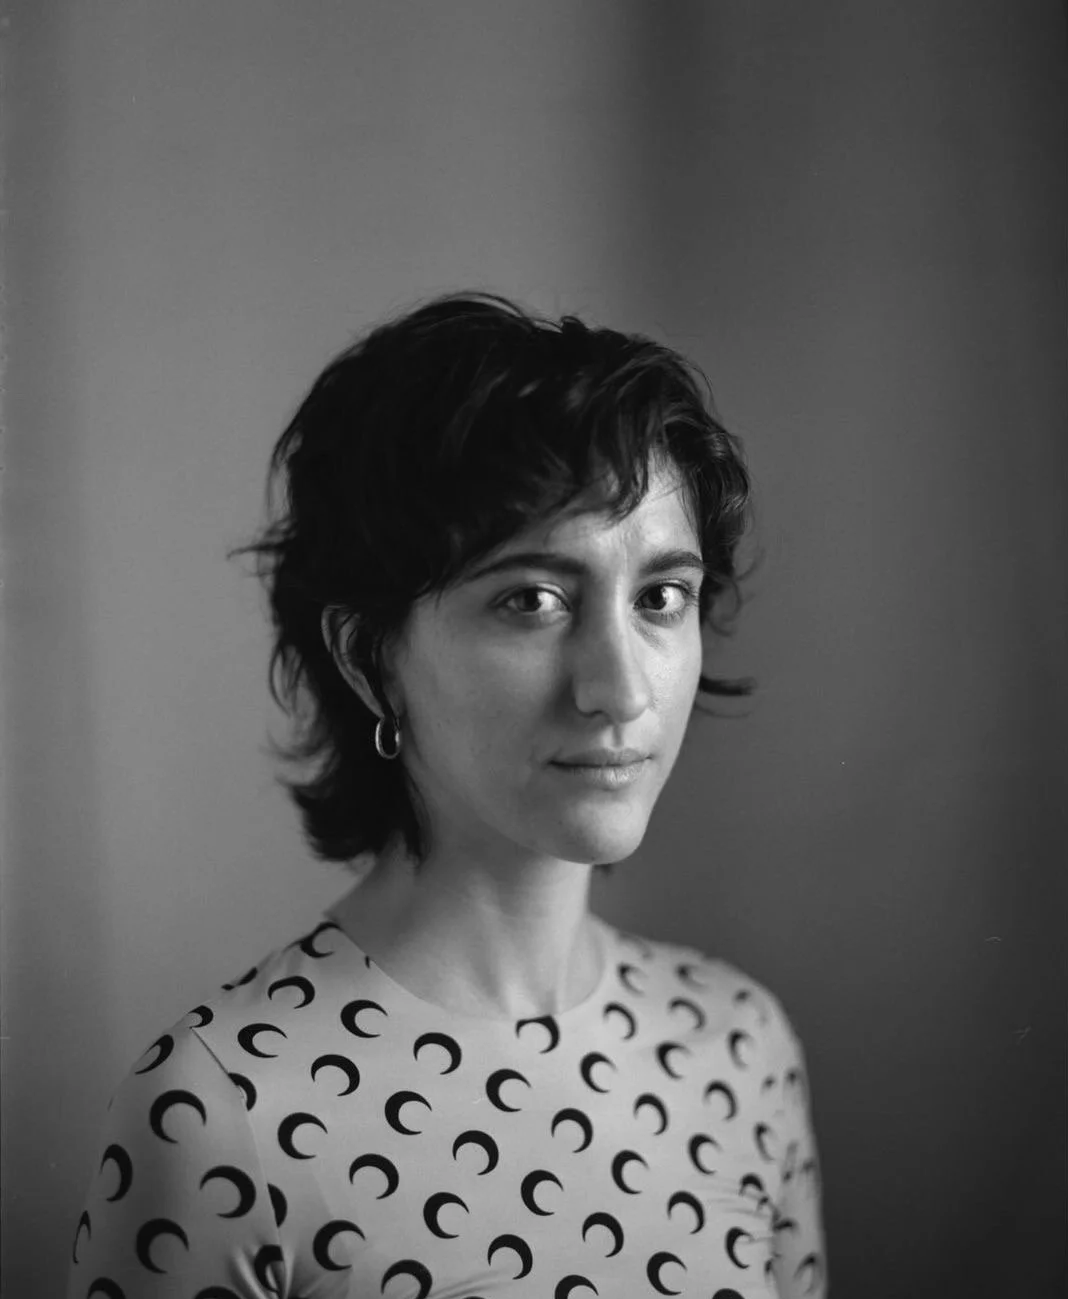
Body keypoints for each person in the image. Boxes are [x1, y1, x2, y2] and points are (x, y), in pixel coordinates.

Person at [66, 292, 828, 1298]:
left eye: (660, 598)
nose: (621, 689)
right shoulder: (218, 1114)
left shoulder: (740, 1046)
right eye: (532, 600)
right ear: (367, 656)